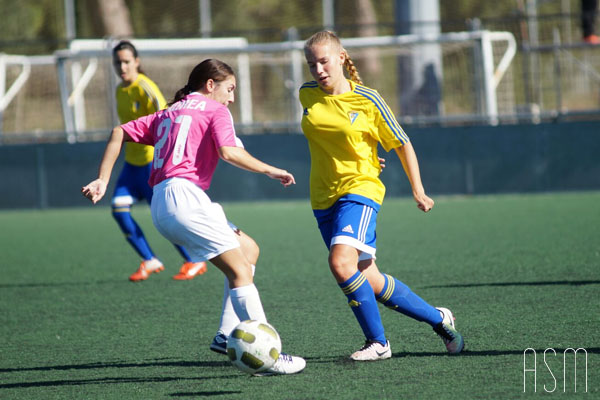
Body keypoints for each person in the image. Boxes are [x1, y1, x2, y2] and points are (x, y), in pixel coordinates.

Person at [82, 58, 305, 375]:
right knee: (241, 271)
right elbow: (229, 152)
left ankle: (225, 334)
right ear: (210, 84)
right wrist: (272, 170)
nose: (231, 98)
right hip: (184, 199)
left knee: (249, 250)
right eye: (229, 89)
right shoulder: (216, 111)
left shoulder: (168, 113)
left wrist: (103, 179)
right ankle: (267, 355)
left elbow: (118, 131)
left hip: (164, 203)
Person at [299, 30, 465, 361]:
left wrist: (418, 190)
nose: (317, 70)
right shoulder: (306, 94)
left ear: (342, 57)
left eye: (323, 61)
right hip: (322, 198)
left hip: (360, 189)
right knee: (368, 277)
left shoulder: (369, 100)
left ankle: (378, 343)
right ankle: (439, 319)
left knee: (340, 263)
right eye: (311, 63)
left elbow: (402, 143)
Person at [111, 40, 207, 281]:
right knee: (119, 209)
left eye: (126, 61)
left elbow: (168, 114)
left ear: (137, 62)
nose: (122, 67)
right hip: (131, 165)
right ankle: (149, 259)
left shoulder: (146, 87)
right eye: (118, 62)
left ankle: (193, 260)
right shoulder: (119, 90)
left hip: (152, 164)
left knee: (167, 215)